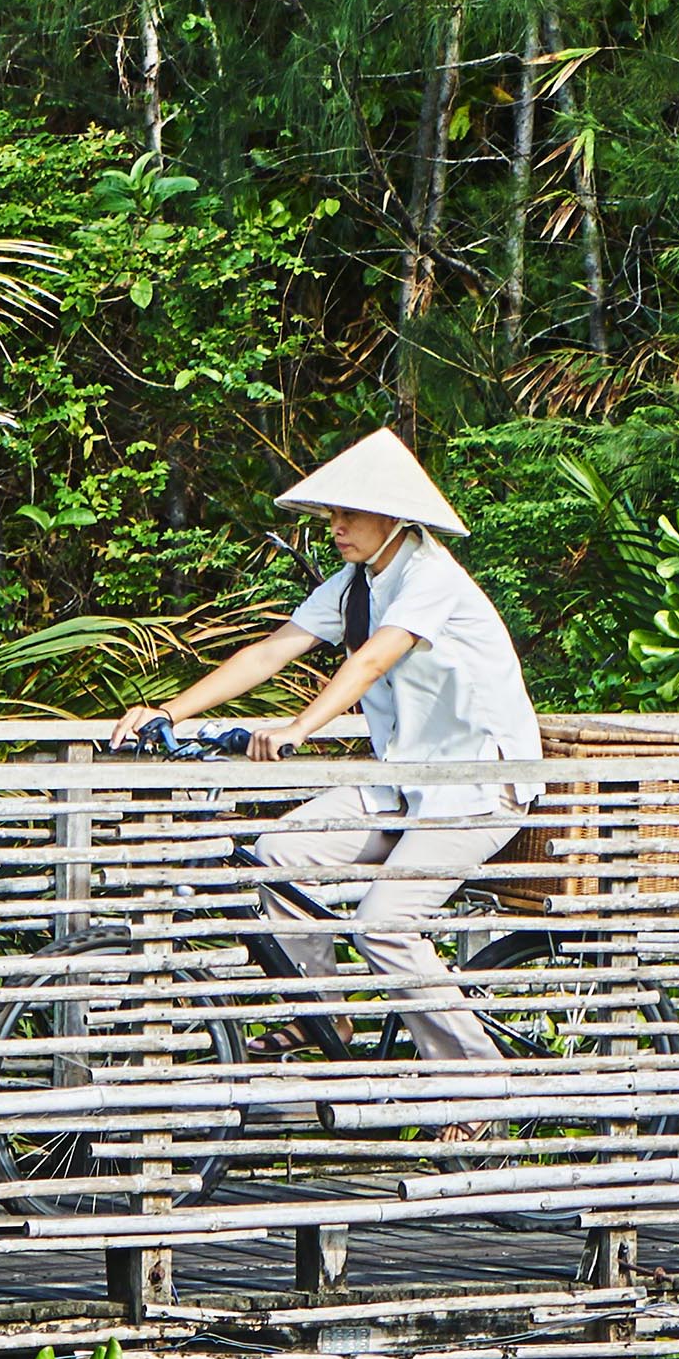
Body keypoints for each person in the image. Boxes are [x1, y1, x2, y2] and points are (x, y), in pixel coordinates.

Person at [114, 428, 542, 1071]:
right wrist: (167, 712)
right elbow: (271, 650)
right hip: (405, 784)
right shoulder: (356, 584)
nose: (334, 526)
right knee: (276, 857)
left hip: (477, 787)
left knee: (383, 923)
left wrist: (298, 729)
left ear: (394, 517)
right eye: (331, 514)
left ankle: (480, 1083)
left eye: (348, 513)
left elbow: (371, 661)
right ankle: (324, 1015)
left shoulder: (430, 577)